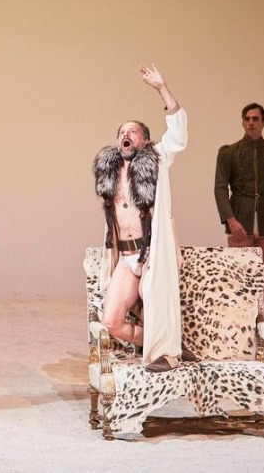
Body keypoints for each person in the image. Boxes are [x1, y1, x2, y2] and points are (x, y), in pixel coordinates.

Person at [92, 64, 191, 373]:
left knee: (153, 296)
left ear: (145, 141)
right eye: (122, 132)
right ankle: (166, 344)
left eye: (132, 131)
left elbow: (178, 135)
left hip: (151, 252)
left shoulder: (156, 160)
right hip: (125, 256)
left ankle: (167, 354)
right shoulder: (110, 173)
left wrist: (162, 88)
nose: (126, 134)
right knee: (111, 322)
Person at [214, 103, 264, 324]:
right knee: (240, 280)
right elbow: (220, 188)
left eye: (255, 119)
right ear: (242, 122)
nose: (251, 123)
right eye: (247, 119)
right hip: (239, 221)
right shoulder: (228, 152)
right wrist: (231, 220)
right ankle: (241, 330)